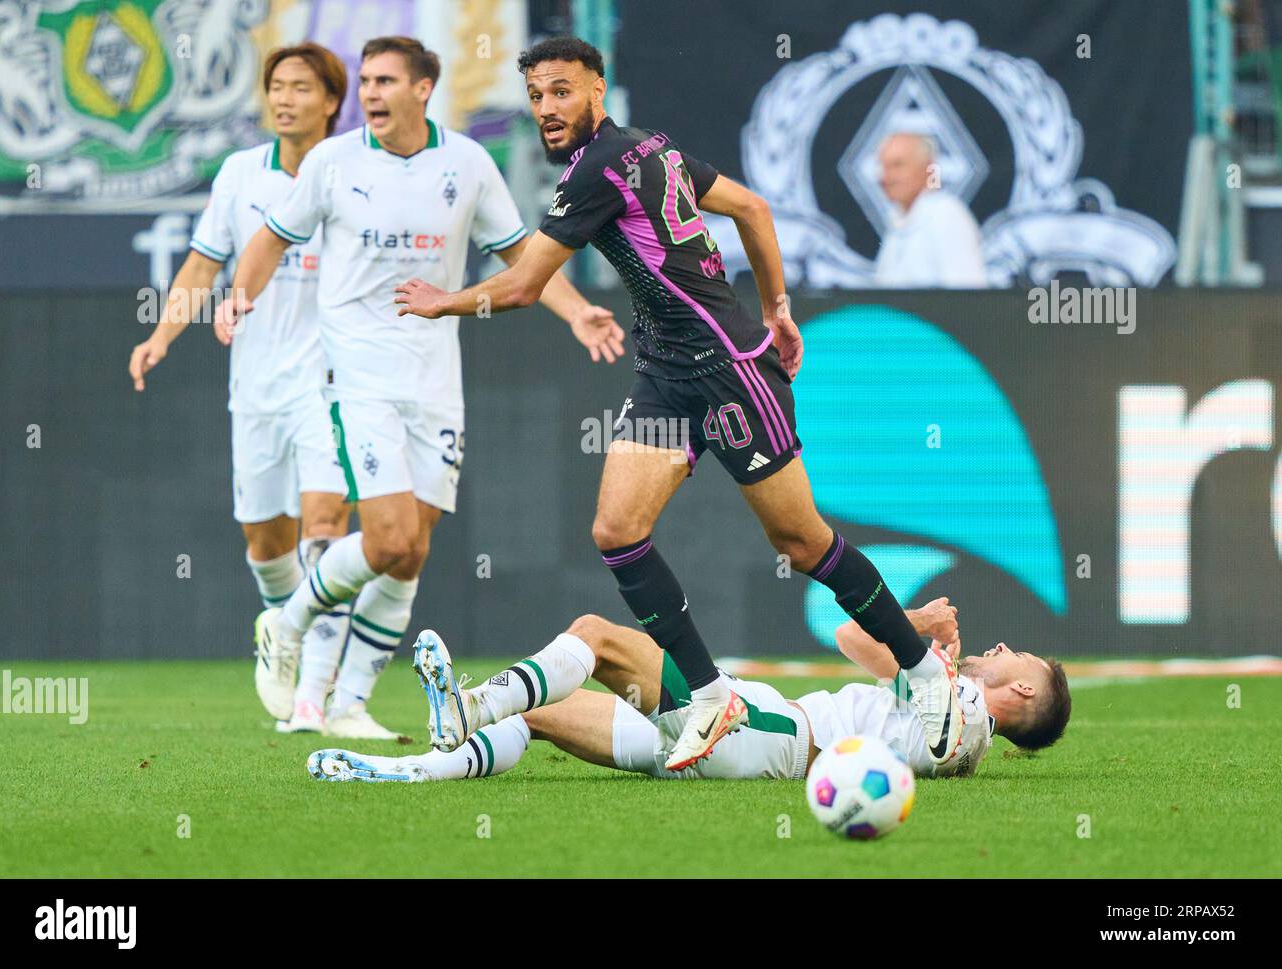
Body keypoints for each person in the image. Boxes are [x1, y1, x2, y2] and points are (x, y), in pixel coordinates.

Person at [392, 37, 966, 772]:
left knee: (801, 542)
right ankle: (708, 690)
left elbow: (522, 284)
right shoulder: (647, 150)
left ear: (597, 89)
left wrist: (444, 303)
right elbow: (752, 207)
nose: (547, 108)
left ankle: (921, 672)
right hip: (667, 368)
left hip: (727, 367)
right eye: (536, 95)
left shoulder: (597, 169)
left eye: (562, 91)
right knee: (617, 530)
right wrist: (780, 308)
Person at [218, 37, 625, 741]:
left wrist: (577, 310)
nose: (370, 94)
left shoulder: (465, 163)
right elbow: (270, 238)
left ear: (423, 87)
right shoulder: (333, 161)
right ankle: (285, 626)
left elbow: (521, 255)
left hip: (436, 381)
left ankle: (348, 701)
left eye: (386, 81)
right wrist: (236, 297)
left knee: (412, 550)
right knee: (387, 537)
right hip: (358, 379)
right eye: (366, 81)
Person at [127, 44, 379, 736]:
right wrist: (161, 336)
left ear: (333, 101)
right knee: (267, 540)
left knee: (325, 526)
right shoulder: (241, 174)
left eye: (300, 87)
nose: (284, 98)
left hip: (335, 382)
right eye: (275, 86)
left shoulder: (360, 171)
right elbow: (201, 267)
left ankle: (318, 702)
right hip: (258, 385)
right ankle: (282, 626)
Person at [308, 600, 1071, 784]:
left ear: (1025, 689)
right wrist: (923, 650)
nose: (1001, 649)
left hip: (765, 730)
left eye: (1016, 655)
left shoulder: (964, 712)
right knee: (538, 712)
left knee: (598, 636)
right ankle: (413, 767)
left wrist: (920, 629)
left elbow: (852, 634)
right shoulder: (955, 720)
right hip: (756, 744)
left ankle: (466, 709)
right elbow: (859, 650)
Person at [872, 132, 989, 288]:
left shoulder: (945, 214)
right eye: (883, 166)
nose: (886, 177)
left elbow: (968, 297)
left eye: (897, 165)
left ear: (927, 169)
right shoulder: (898, 220)